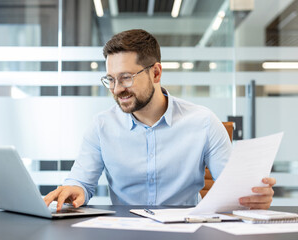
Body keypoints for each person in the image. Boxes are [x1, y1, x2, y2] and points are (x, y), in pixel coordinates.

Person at [44, 29, 276, 211]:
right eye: (110, 80)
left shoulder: (203, 122)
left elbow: (233, 189)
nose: (116, 90)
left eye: (125, 78)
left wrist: (254, 198)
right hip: (125, 231)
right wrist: (74, 190)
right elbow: (81, 183)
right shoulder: (101, 127)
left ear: (155, 73)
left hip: (187, 230)